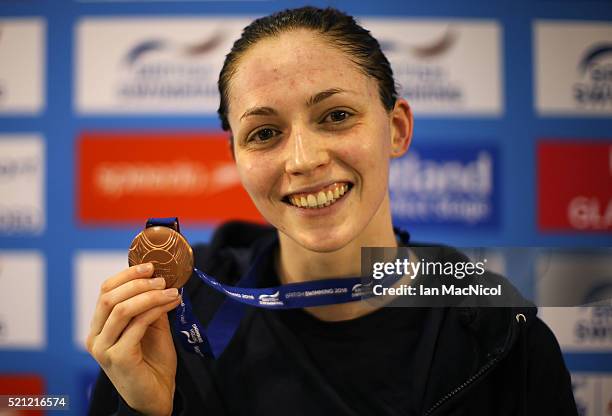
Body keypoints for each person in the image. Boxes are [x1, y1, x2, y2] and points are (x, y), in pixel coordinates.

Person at [87, 7, 578, 416]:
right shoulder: (175, 318)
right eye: (264, 132)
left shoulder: (502, 334)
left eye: (336, 116)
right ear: (237, 156)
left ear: (397, 129)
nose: (303, 159)